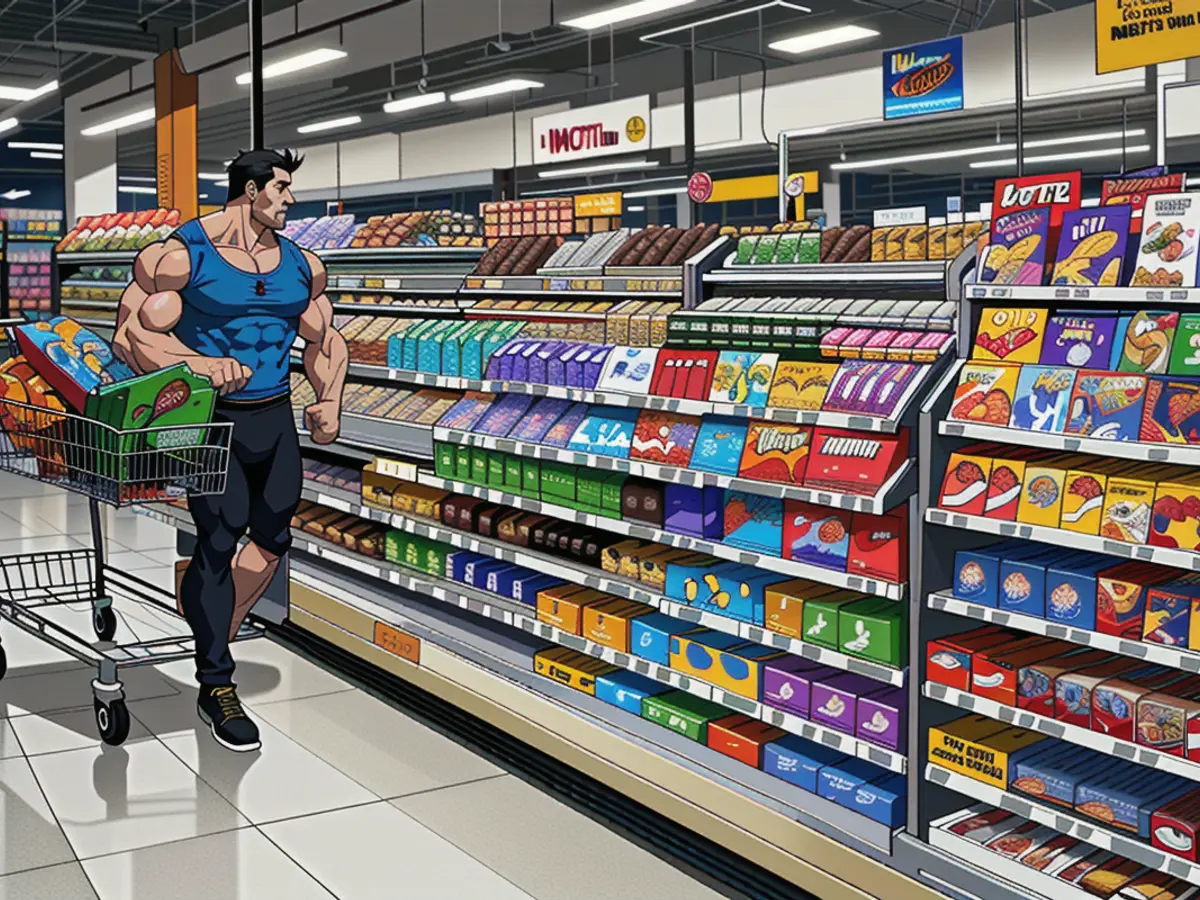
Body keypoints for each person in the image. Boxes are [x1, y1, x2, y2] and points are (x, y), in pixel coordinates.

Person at [113, 148, 347, 752]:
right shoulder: (178, 257)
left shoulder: (302, 265)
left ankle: (209, 623)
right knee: (219, 540)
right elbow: (132, 336)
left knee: (272, 540)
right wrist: (199, 365)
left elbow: (326, 337)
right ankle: (216, 680)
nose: (291, 200)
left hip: (273, 417)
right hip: (209, 420)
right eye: (283, 188)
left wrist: (330, 396)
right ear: (250, 191)